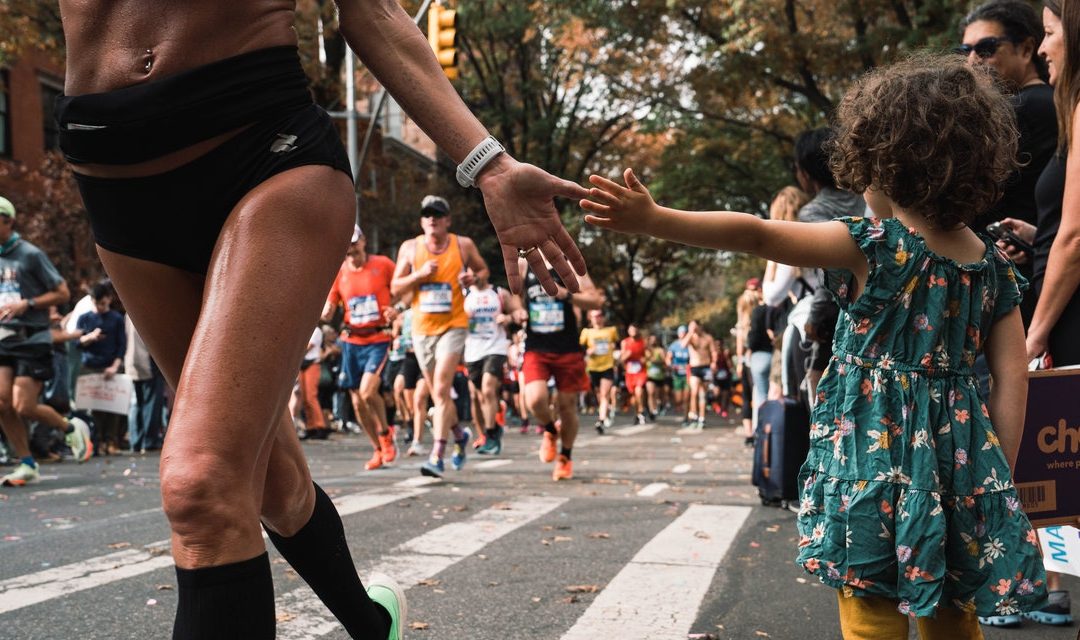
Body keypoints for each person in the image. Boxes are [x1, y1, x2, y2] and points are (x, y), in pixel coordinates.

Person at [54, 1, 590, 635]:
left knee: (201, 485)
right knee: (273, 480)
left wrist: (490, 165)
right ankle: (370, 624)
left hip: (261, 153)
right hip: (114, 187)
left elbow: (375, 13)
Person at [582, 54, 1046, 636]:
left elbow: (754, 233)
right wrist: (993, 469)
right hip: (959, 467)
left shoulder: (873, 245)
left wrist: (655, 219)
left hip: (869, 463)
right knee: (952, 608)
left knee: (870, 606)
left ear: (884, 164)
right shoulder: (991, 268)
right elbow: (1013, 375)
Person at [992, 0, 1074, 628]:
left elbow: (1075, 241)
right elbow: (1061, 233)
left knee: (1057, 461)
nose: (1044, 48)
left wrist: (1036, 332)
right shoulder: (1068, 115)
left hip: (1065, 315)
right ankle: (1055, 588)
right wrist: (1033, 231)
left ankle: (1055, 589)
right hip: (1057, 300)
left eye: (1049, 34)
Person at [392, 196, 490, 478]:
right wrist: (419, 275)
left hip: (454, 325)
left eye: (438, 214)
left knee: (443, 387)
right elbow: (396, 287)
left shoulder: (463, 245)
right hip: (422, 329)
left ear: (448, 219)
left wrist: (474, 279)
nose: (432, 219)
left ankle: (437, 454)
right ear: (422, 220)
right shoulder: (410, 248)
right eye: (427, 215)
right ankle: (459, 434)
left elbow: (483, 271)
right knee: (437, 392)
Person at [0, 197, 91, 486]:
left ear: (8, 220)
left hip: (31, 338)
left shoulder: (30, 254)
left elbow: (62, 293)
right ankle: (27, 463)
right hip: (4, 339)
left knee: (24, 407)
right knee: (2, 403)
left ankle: (70, 427)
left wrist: (27, 304)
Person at [519, 257, 604, 480]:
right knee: (535, 399)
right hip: (536, 346)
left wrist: (566, 294)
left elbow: (595, 301)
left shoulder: (572, 265)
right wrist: (516, 312)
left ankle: (565, 457)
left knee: (567, 407)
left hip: (567, 347)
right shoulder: (523, 264)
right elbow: (513, 297)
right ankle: (549, 429)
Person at [323, 225, 399, 469]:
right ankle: (377, 448)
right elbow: (330, 304)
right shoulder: (340, 272)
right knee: (357, 401)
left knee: (367, 392)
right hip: (351, 341)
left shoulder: (384, 264)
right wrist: (325, 310)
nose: (351, 248)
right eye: (346, 244)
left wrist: (396, 309)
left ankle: (386, 434)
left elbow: (401, 291)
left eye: (354, 242)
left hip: (377, 339)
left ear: (363, 241)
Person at [463, 272, 520, 455]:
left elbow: (518, 313)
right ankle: (494, 427)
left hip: (496, 347)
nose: (472, 275)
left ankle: (490, 436)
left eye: (476, 271)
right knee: (479, 397)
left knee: (488, 389)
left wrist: (508, 318)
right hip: (472, 350)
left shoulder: (499, 293)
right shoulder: (463, 295)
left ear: (485, 272)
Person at [76, 281, 129, 455]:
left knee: (114, 408)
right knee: (94, 408)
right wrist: (90, 337)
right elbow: (78, 342)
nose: (100, 307)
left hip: (111, 366)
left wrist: (115, 366)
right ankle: (97, 441)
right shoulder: (85, 318)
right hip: (91, 366)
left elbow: (122, 345)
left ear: (109, 299)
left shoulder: (116, 318)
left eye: (103, 303)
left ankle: (111, 441)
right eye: (97, 303)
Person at [579, 309, 619, 433]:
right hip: (593, 367)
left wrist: (614, 350)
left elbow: (617, 345)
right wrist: (588, 352)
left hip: (607, 366)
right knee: (598, 394)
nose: (597, 318)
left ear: (603, 317)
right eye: (594, 316)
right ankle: (604, 414)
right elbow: (580, 349)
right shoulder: (586, 332)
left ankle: (601, 420)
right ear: (590, 318)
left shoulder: (611, 331)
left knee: (604, 394)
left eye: (599, 315)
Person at [681, 319, 717, 429]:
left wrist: (714, 363)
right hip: (694, 367)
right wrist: (690, 333)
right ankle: (694, 415)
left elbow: (713, 351)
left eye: (695, 327)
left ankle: (702, 417)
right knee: (694, 391)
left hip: (705, 367)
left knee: (703, 394)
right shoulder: (690, 337)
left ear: (700, 326)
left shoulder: (708, 338)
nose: (694, 329)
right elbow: (683, 345)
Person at [295, 325, 328, 439]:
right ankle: (311, 426)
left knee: (311, 397)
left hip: (312, 364)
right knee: (304, 398)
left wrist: (294, 353)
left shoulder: (316, 330)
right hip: (301, 363)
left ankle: (320, 426)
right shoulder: (303, 329)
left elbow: (308, 346)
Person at [619, 323, 649, 424]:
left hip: (641, 371)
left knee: (639, 391)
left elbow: (649, 354)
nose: (633, 332)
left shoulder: (643, 342)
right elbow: (621, 359)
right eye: (631, 330)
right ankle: (637, 413)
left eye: (635, 330)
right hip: (630, 372)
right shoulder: (625, 342)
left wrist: (645, 359)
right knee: (633, 395)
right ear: (628, 331)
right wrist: (626, 356)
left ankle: (642, 411)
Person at [666, 325, 691, 420]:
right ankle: (677, 406)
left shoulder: (690, 345)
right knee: (678, 398)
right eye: (681, 332)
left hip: (688, 374)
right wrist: (671, 366)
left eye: (684, 332)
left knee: (687, 396)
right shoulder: (674, 345)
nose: (683, 334)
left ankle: (686, 415)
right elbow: (668, 358)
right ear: (678, 334)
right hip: (677, 374)